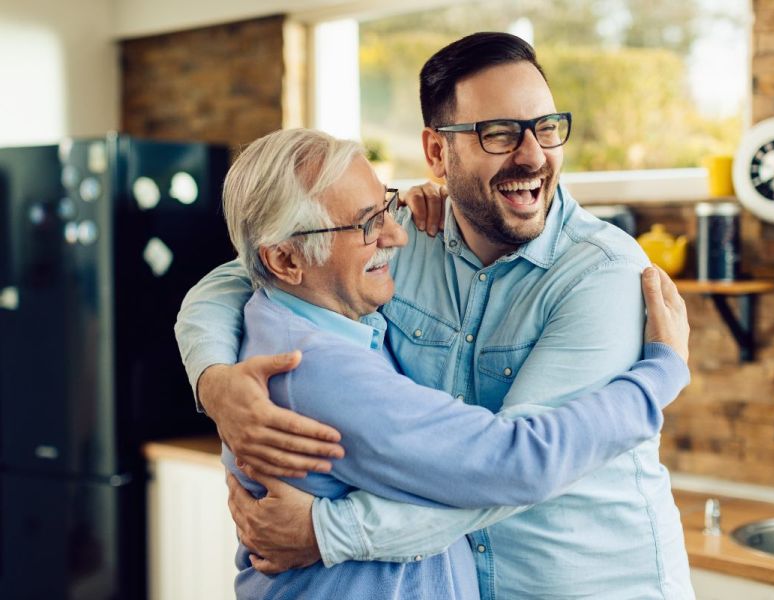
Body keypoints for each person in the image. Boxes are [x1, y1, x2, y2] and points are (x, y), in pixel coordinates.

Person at [176, 32, 694, 598]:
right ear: (436, 152)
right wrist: (214, 380)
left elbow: (515, 470)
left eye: (546, 127)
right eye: (498, 133)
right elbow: (244, 270)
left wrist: (328, 531)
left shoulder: (602, 275)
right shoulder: (396, 236)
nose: (533, 155)